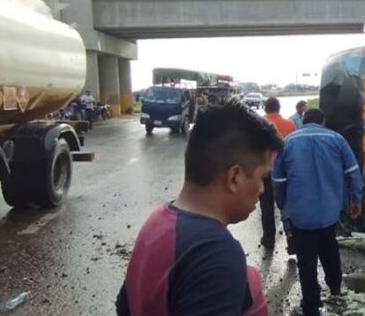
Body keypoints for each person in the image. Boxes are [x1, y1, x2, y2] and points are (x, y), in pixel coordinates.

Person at [116, 100, 283, 315]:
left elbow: (125, 305)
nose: (262, 189)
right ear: (235, 177)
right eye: (262, 177)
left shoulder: (157, 222)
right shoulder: (216, 253)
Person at [272, 109, 362, 316]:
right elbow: (352, 172)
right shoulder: (336, 139)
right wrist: (355, 200)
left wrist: (283, 205)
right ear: (323, 121)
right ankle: (336, 288)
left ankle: (311, 306)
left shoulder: (288, 142)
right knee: (330, 248)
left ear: (303, 121)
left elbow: (277, 180)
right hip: (329, 212)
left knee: (306, 260)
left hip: (300, 214)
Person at [259, 97, 297, 250]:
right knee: (287, 205)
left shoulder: (258, 124)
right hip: (286, 172)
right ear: (279, 108)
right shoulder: (289, 124)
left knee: (266, 206)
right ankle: (291, 238)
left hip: (265, 172)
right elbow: (293, 148)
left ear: (265, 108)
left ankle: (269, 238)